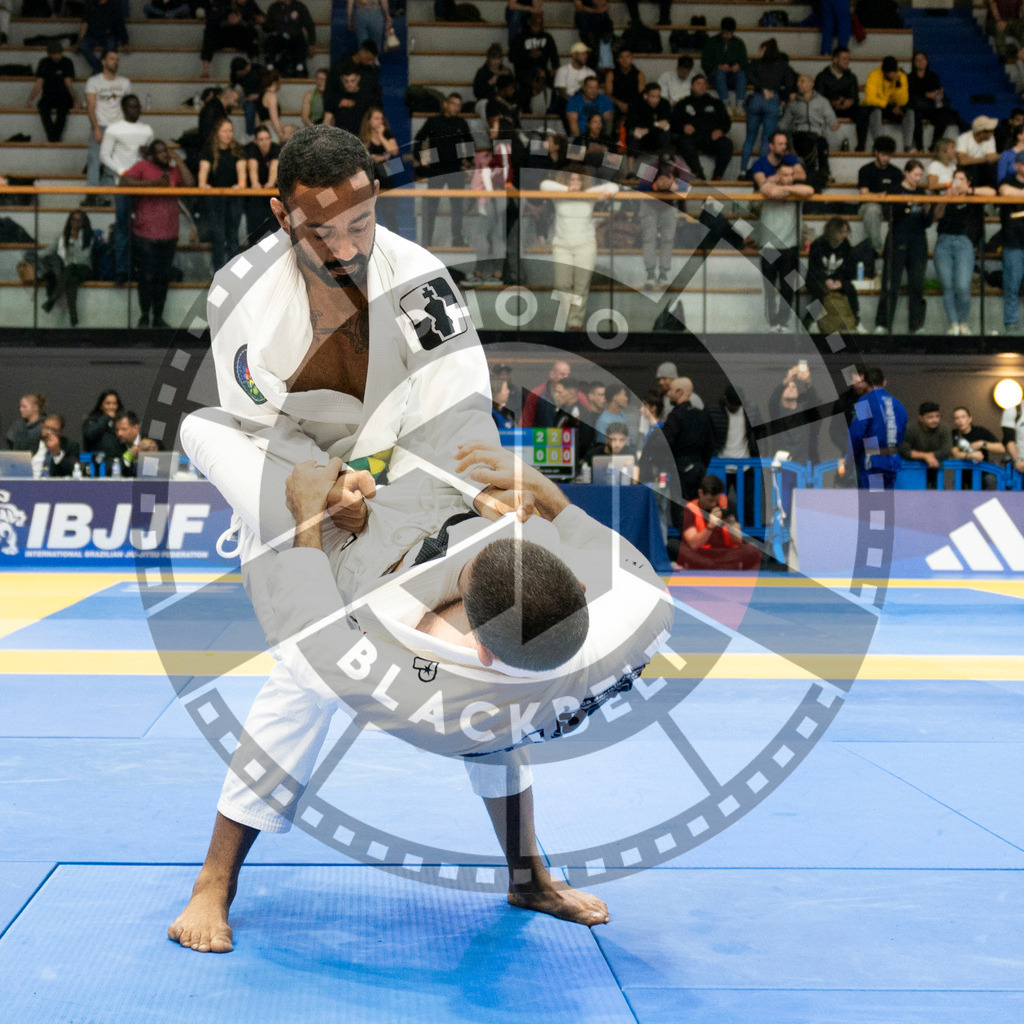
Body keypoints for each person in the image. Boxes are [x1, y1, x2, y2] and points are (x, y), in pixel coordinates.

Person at [167, 124, 667, 950]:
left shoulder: (417, 278)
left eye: (359, 224)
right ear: (280, 213)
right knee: (308, 664)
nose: (344, 246)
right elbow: (266, 431)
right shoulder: (241, 294)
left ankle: (526, 874)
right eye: (320, 230)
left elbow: (453, 412)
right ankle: (213, 881)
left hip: (411, 465)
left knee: (496, 647)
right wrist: (326, 495)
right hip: (286, 466)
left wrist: (480, 490)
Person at [121, 139, 195, 327]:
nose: (165, 155)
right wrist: (152, 184)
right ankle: (144, 316)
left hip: (169, 234)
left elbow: (189, 183)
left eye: (166, 152)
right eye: (161, 152)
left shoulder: (172, 170)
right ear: (152, 155)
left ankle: (158, 317)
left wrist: (178, 160)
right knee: (146, 277)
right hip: (145, 234)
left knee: (163, 277)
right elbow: (123, 181)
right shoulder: (143, 166)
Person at [539, 165, 619, 330]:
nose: (575, 182)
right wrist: (568, 189)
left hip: (585, 245)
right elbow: (544, 184)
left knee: (581, 286)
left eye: (578, 179)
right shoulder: (559, 194)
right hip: (562, 245)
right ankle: (569, 319)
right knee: (563, 284)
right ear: (566, 181)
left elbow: (614, 186)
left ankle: (575, 324)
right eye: (572, 179)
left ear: (583, 182)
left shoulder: (589, 194)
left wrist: (607, 194)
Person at [102, 94, 155, 284]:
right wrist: (122, 172)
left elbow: (152, 156)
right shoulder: (114, 129)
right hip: (123, 185)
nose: (135, 110)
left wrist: (147, 154)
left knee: (144, 228)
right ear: (124, 109)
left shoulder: (147, 130)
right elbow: (104, 156)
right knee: (123, 227)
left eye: (137, 106)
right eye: (131, 106)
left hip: (144, 186)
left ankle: (141, 266)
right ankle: (122, 269)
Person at [932, 169, 992, 336]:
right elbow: (936, 215)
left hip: (964, 243)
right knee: (948, 286)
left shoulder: (972, 197)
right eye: (955, 179)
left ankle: (963, 322)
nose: (958, 182)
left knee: (962, 286)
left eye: (962, 179)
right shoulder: (946, 196)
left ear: (968, 182)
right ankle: (953, 323)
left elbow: (992, 192)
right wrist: (947, 197)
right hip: (943, 242)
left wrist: (968, 191)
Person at [875, 159, 932, 335]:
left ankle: (916, 325)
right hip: (897, 239)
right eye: (915, 174)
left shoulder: (922, 192)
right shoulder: (894, 190)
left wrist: (927, 209)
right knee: (891, 284)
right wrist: (907, 206)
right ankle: (883, 324)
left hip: (918, 241)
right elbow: (889, 214)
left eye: (920, 175)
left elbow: (926, 223)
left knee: (917, 285)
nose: (918, 178)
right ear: (906, 173)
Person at [758, 164, 814, 333]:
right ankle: (772, 323)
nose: (789, 178)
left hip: (790, 246)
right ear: (777, 175)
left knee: (788, 287)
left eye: (791, 175)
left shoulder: (796, 190)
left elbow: (809, 190)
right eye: (785, 175)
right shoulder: (768, 185)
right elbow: (770, 192)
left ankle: (783, 322)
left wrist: (787, 189)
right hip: (769, 246)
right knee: (769, 288)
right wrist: (781, 188)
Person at [413, 93, 474, 248]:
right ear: (446, 104)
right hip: (437, 169)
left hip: (455, 169)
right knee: (431, 206)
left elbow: (469, 142)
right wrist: (422, 159)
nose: (456, 107)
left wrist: (468, 161)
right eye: (454, 103)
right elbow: (419, 139)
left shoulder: (461, 122)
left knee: (457, 207)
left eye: (459, 105)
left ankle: (457, 239)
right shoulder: (434, 121)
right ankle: (427, 240)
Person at [676, 474, 761, 571]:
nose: (713, 504)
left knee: (752, 549)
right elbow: (693, 544)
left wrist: (730, 523)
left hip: (726, 552)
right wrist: (710, 526)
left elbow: (737, 541)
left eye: (715, 500)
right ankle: (725, 566)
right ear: (700, 493)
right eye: (710, 500)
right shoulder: (689, 509)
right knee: (676, 547)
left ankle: (709, 566)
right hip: (702, 552)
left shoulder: (727, 504)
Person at [661, 376, 716, 518]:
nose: (668, 394)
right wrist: (701, 465)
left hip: (680, 470)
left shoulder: (675, 416)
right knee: (698, 510)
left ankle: (686, 539)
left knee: (680, 512)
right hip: (699, 468)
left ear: (679, 392)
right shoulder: (702, 415)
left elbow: (665, 444)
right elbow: (710, 445)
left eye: (671, 390)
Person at [198, 116, 247, 273]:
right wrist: (203, 185)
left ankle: (235, 269)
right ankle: (218, 268)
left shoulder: (237, 149)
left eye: (231, 131)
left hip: (233, 197)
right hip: (215, 197)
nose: (228, 134)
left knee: (232, 235)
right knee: (218, 235)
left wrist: (240, 185)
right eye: (225, 131)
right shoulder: (208, 149)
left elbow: (242, 173)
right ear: (217, 132)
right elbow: (203, 171)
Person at [83, 49, 131, 207]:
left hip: (118, 128)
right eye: (111, 59)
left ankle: (104, 197)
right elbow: (90, 106)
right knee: (94, 160)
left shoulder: (125, 82)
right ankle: (92, 194)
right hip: (101, 125)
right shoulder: (94, 81)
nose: (115, 62)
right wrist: (96, 128)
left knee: (111, 165)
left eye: (117, 59)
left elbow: (127, 106)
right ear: (103, 61)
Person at [741, 38, 793, 177]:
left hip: (757, 98)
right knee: (767, 139)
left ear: (765, 50)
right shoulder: (782, 65)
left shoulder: (757, 64)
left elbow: (747, 74)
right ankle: (763, 172)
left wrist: (761, 87)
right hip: (772, 99)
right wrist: (781, 96)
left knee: (750, 138)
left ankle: (743, 170)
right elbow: (789, 84)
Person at [806, 216, 868, 334]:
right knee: (819, 290)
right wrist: (825, 280)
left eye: (846, 232)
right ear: (832, 232)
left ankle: (857, 321)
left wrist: (840, 281)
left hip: (837, 278)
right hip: (817, 277)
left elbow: (849, 270)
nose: (844, 236)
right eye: (841, 232)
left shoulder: (846, 246)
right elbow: (813, 269)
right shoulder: (817, 245)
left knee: (851, 289)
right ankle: (811, 321)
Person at [849, 366, 907, 490]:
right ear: (884, 382)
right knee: (887, 503)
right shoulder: (898, 404)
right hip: (892, 461)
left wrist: (849, 456)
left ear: (865, 384)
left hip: (873, 461)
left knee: (874, 505)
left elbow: (857, 434)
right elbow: (901, 433)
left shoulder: (864, 401)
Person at [779, 72, 837, 188]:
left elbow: (832, 120)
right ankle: (812, 175)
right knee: (807, 144)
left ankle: (823, 173)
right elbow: (783, 126)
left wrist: (833, 124)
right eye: (798, 81)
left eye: (802, 81)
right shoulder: (794, 104)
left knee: (822, 144)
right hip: (799, 136)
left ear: (811, 84)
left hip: (817, 135)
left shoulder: (822, 101)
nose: (799, 84)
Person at [671, 73, 732, 181]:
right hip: (692, 139)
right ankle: (698, 174)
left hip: (711, 139)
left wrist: (720, 130)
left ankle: (717, 176)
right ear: (692, 86)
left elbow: (726, 122)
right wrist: (683, 127)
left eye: (704, 83)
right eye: (698, 83)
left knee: (727, 144)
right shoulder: (683, 103)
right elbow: (673, 122)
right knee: (683, 141)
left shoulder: (716, 103)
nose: (702, 86)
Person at [637, 150, 685, 288]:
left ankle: (663, 273)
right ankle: (650, 273)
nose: (667, 168)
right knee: (649, 238)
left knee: (668, 239)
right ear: (659, 163)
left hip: (669, 206)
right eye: (664, 165)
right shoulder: (651, 167)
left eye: (669, 165)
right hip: (649, 204)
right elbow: (640, 186)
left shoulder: (680, 169)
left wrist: (674, 186)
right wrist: (655, 186)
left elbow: (687, 188)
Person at [37, 210, 93, 327]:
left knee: (71, 267)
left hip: (84, 268)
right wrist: (33, 255)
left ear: (83, 223)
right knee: (71, 280)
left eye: (79, 220)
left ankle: (53, 299)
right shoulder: (62, 236)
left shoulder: (88, 237)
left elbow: (83, 257)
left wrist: (74, 242)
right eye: (73, 219)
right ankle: (73, 317)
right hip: (69, 270)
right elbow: (49, 250)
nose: (75, 223)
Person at [815, 47, 870, 154]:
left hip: (847, 109)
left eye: (848, 58)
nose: (847, 61)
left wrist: (850, 102)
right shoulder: (822, 77)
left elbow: (855, 98)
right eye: (844, 58)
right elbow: (818, 98)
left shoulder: (851, 77)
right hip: (828, 109)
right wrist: (832, 103)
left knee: (863, 112)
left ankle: (861, 147)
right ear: (835, 60)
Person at [907, 51, 958, 153]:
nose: (921, 62)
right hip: (917, 107)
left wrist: (939, 95)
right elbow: (911, 94)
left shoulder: (933, 76)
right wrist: (926, 94)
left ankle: (933, 146)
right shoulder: (910, 77)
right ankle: (920, 147)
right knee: (916, 116)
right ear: (914, 63)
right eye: (918, 60)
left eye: (923, 59)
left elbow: (936, 93)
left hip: (931, 107)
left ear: (927, 61)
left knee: (943, 116)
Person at [857, 135, 900, 254]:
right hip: (869, 206)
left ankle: (897, 249)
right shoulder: (865, 170)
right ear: (876, 152)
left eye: (889, 155)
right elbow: (864, 193)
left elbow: (898, 194)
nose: (886, 158)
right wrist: (879, 196)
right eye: (883, 155)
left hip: (890, 207)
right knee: (872, 210)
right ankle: (876, 248)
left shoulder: (896, 172)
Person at [509, 12, 559, 113]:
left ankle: (552, 109)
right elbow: (512, 57)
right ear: (529, 23)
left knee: (556, 82)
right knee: (525, 86)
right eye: (535, 24)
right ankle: (526, 110)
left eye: (540, 25)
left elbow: (554, 54)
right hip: (524, 71)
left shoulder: (547, 37)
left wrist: (555, 67)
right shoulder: (519, 38)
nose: (537, 28)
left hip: (543, 70)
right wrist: (528, 55)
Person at [27, 41, 76, 144]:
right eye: (54, 54)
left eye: (58, 53)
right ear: (49, 54)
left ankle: (53, 138)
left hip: (64, 95)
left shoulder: (67, 62)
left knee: (62, 111)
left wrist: (75, 100)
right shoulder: (44, 63)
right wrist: (30, 100)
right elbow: (38, 84)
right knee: (43, 108)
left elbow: (68, 83)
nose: (57, 56)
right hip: (48, 95)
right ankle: (53, 138)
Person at [996, 151, 1024, 332]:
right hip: (1013, 241)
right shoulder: (1007, 181)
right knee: (1012, 285)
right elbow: (1005, 192)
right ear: (1017, 166)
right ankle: (1010, 324)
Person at [200, 1, 262, 80]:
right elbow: (212, 19)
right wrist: (227, 20)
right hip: (223, 34)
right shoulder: (221, 3)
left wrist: (241, 20)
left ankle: (253, 66)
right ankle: (205, 69)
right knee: (209, 32)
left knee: (253, 33)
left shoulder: (250, 4)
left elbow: (256, 18)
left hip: (240, 35)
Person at [360, 107, 398, 232]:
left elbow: (394, 151)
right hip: (370, 176)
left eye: (381, 119)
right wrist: (374, 158)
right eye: (376, 118)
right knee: (370, 213)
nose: (380, 121)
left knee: (390, 213)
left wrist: (381, 136)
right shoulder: (364, 136)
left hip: (386, 174)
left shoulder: (387, 134)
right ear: (369, 120)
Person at [865, 56, 914, 151]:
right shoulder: (874, 75)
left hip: (895, 107)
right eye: (889, 73)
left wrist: (897, 83)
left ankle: (907, 146)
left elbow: (903, 100)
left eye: (894, 72)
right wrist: (887, 106)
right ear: (884, 72)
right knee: (875, 111)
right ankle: (879, 145)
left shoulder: (901, 76)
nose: (892, 75)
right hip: (881, 107)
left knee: (910, 112)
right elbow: (869, 99)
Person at [897, 400, 951, 488]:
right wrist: (925, 456)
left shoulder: (944, 428)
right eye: (930, 417)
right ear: (921, 418)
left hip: (936, 472)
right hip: (913, 471)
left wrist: (928, 456)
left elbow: (946, 450)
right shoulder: (911, 429)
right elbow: (903, 450)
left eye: (937, 416)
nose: (935, 420)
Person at [701, 16, 747, 114]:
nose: (728, 35)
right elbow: (705, 63)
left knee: (741, 74)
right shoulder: (712, 42)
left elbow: (744, 62)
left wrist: (738, 66)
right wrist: (718, 66)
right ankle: (725, 103)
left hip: (732, 75)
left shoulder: (739, 43)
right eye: (726, 33)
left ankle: (740, 104)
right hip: (715, 75)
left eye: (730, 33)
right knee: (720, 73)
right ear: (722, 31)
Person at [950, 405, 1004, 488]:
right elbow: (955, 453)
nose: (960, 420)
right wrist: (971, 455)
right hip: (963, 473)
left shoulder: (980, 431)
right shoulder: (954, 434)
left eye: (963, 417)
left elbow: (1001, 448)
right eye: (957, 418)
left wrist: (982, 444)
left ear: (970, 419)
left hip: (983, 472)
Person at [263, 0, 315, 76]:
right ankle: (270, 67)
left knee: (300, 42)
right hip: (279, 37)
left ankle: (300, 68)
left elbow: (310, 26)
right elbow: (268, 27)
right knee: (270, 42)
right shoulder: (273, 7)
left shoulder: (300, 7)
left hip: (295, 36)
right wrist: (263, 23)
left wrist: (312, 43)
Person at [78, 0, 129, 76]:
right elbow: (85, 22)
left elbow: (120, 24)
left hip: (109, 36)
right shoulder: (90, 4)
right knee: (83, 45)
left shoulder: (114, 5)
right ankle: (100, 69)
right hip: (92, 35)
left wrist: (125, 42)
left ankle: (97, 71)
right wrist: (79, 40)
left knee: (111, 45)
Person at [605, 47, 644, 136]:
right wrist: (619, 104)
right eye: (622, 57)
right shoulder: (611, 74)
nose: (625, 60)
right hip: (615, 104)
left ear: (632, 59)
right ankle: (611, 140)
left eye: (627, 57)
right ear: (618, 60)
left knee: (639, 110)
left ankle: (633, 139)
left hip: (633, 105)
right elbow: (608, 94)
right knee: (609, 111)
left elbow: (641, 95)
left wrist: (629, 106)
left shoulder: (639, 74)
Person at [521, 360, 572, 428]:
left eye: (568, 375)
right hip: (542, 437)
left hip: (567, 437)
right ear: (552, 374)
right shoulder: (537, 394)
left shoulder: (576, 396)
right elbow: (526, 422)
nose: (566, 378)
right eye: (562, 374)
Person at [626, 82, 672, 154]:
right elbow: (632, 124)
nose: (656, 100)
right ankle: (630, 165)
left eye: (658, 96)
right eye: (653, 96)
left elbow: (665, 125)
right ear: (645, 96)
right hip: (641, 136)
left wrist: (647, 129)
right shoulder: (636, 104)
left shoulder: (664, 104)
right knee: (633, 137)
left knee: (666, 135)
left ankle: (666, 162)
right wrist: (656, 124)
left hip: (656, 136)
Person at [957, 115, 1000, 188]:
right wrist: (985, 159)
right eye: (990, 131)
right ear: (981, 132)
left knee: (992, 168)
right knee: (973, 168)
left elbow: (992, 158)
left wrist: (970, 159)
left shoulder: (990, 138)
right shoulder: (963, 138)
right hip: (967, 171)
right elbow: (962, 161)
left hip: (983, 169)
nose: (992, 133)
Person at [82, 390, 123, 465]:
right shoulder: (91, 420)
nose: (111, 407)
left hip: (117, 464)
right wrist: (106, 418)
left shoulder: (120, 422)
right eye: (108, 403)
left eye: (114, 404)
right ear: (101, 406)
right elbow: (89, 435)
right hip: (96, 463)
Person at [474, 43, 511, 108]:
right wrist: (489, 83)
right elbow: (477, 93)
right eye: (494, 58)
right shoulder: (482, 72)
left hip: (503, 103)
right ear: (489, 59)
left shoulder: (506, 72)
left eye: (498, 58)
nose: (496, 61)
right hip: (487, 102)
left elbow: (511, 91)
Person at [255, 69, 287, 142]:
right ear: (275, 83)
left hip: (262, 129)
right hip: (271, 130)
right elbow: (274, 118)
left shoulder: (261, 95)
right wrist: (280, 133)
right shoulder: (271, 96)